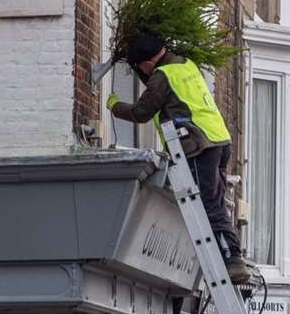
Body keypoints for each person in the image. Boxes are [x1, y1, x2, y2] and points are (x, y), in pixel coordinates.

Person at [107, 34, 250, 285]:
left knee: (207, 205)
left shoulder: (162, 76)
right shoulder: (186, 64)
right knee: (216, 202)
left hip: (197, 145)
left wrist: (114, 104)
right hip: (218, 139)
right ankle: (230, 256)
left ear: (147, 64)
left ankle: (232, 260)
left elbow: (141, 112)